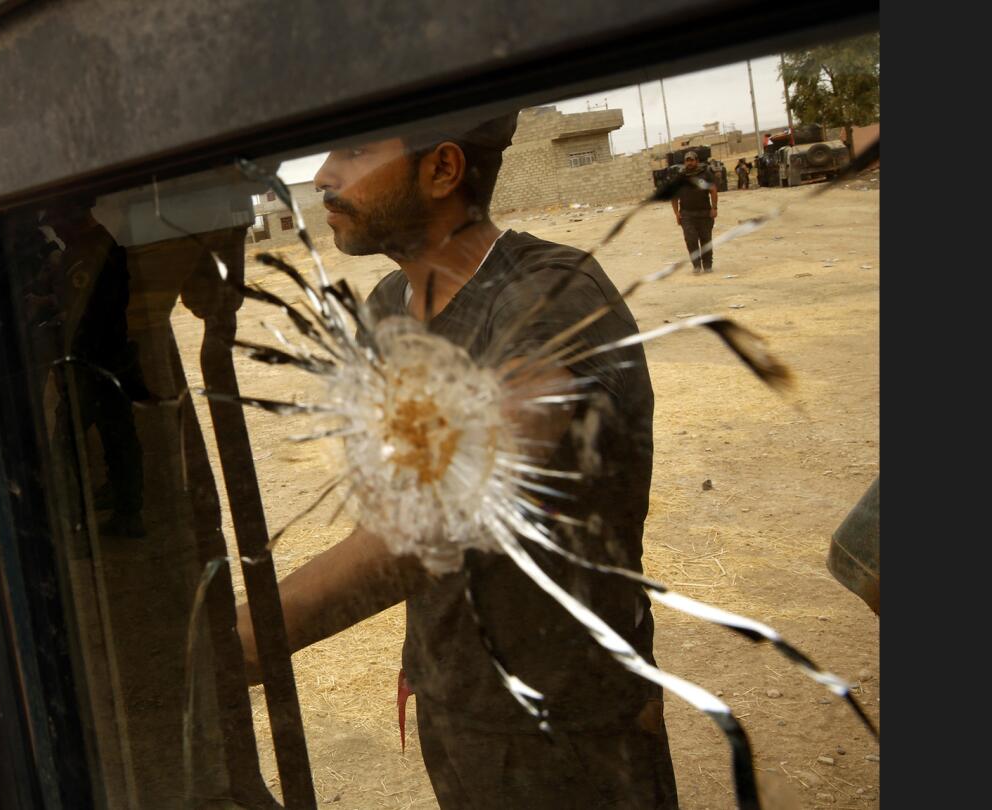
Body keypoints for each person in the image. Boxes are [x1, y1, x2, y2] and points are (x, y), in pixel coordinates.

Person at [234, 113, 678, 808]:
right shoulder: (388, 308)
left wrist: (250, 637)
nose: (323, 175)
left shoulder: (552, 297)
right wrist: (428, 660)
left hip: (568, 723)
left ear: (443, 170)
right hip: (452, 698)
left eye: (353, 149)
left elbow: (452, 510)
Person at [671, 151, 718, 274]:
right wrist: (676, 213)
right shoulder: (680, 177)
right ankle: (696, 265)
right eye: (687, 160)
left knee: (706, 240)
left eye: (692, 160)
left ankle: (707, 265)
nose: (689, 162)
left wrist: (714, 208)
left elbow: (713, 190)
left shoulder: (705, 174)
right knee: (691, 240)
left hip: (704, 213)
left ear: (696, 161)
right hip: (687, 215)